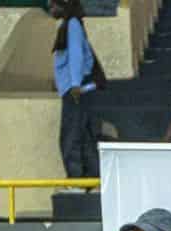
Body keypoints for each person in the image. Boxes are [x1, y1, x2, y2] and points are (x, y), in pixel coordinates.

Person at [51, 0, 104, 179]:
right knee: (84, 138)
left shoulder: (72, 24)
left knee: (70, 138)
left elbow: (76, 55)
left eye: (53, 4)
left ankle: (76, 180)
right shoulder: (71, 24)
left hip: (75, 91)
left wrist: (74, 84)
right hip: (75, 89)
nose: (51, 8)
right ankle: (93, 179)